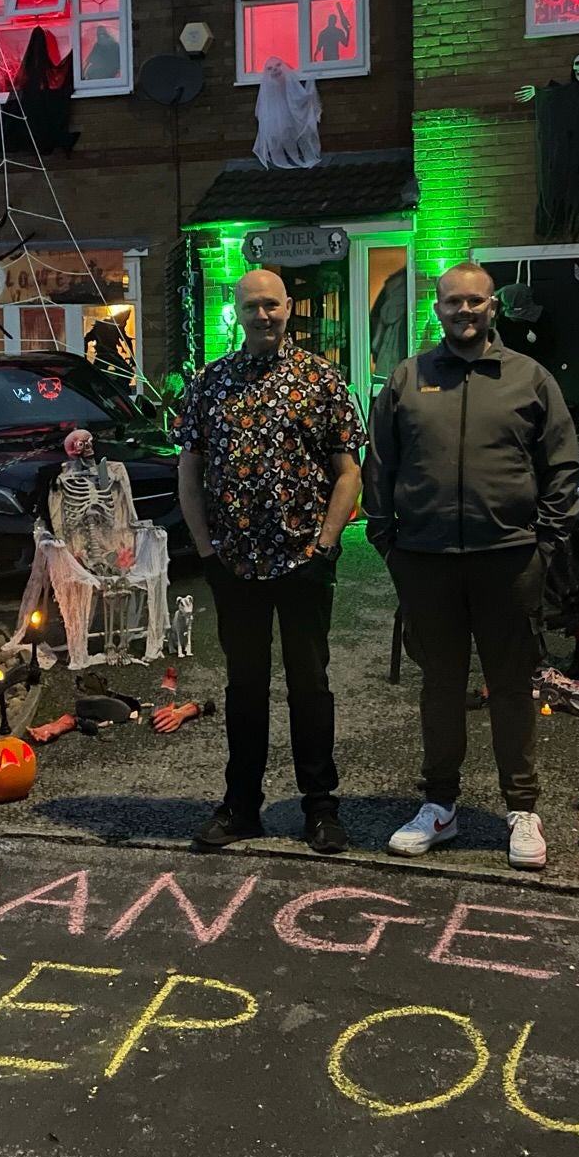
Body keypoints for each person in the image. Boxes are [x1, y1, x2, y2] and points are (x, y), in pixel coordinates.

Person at [364, 261, 579, 870]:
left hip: (509, 560)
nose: (465, 311)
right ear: (436, 309)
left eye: (476, 302)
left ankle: (522, 809)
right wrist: (389, 543)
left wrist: (546, 545)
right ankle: (439, 805)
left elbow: (562, 466)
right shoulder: (409, 379)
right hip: (427, 562)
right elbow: (379, 464)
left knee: (512, 686)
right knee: (440, 686)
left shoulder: (529, 379)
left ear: (492, 308)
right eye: (453, 302)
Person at [175, 269, 362, 854]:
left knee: (311, 686)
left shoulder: (321, 380)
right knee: (244, 687)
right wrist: (206, 551)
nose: (263, 316)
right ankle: (242, 806)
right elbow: (190, 471)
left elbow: (349, 471)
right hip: (234, 565)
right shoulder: (210, 385)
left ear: (288, 310)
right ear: (236, 311)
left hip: (303, 562)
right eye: (252, 306)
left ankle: (321, 808)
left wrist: (326, 546)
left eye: (272, 306)